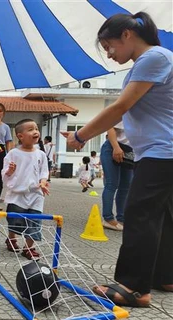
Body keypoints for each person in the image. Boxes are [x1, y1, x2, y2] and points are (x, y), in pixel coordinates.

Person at [63, 12, 173, 307]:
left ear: (127, 35)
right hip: (161, 152)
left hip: (162, 152)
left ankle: (134, 288)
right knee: (162, 217)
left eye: (108, 46)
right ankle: (166, 276)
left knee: (140, 214)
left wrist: (80, 136)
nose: (109, 54)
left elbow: (120, 107)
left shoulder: (154, 58)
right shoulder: (150, 62)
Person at [1, 119, 49, 260]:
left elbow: (44, 172)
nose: (35, 132)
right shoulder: (13, 154)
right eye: (30, 129)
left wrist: (43, 182)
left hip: (36, 194)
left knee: (34, 221)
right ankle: (11, 238)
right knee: (15, 220)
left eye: (36, 128)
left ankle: (29, 247)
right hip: (17, 195)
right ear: (20, 136)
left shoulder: (41, 154)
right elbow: (4, 175)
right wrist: (9, 171)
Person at [99, 123, 133, 231]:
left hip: (129, 152)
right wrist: (116, 147)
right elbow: (110, 127)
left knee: (126, 186)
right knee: (112, 183)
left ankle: (121, 219)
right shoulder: (127, 109)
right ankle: (108, 218)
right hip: (112, 147)